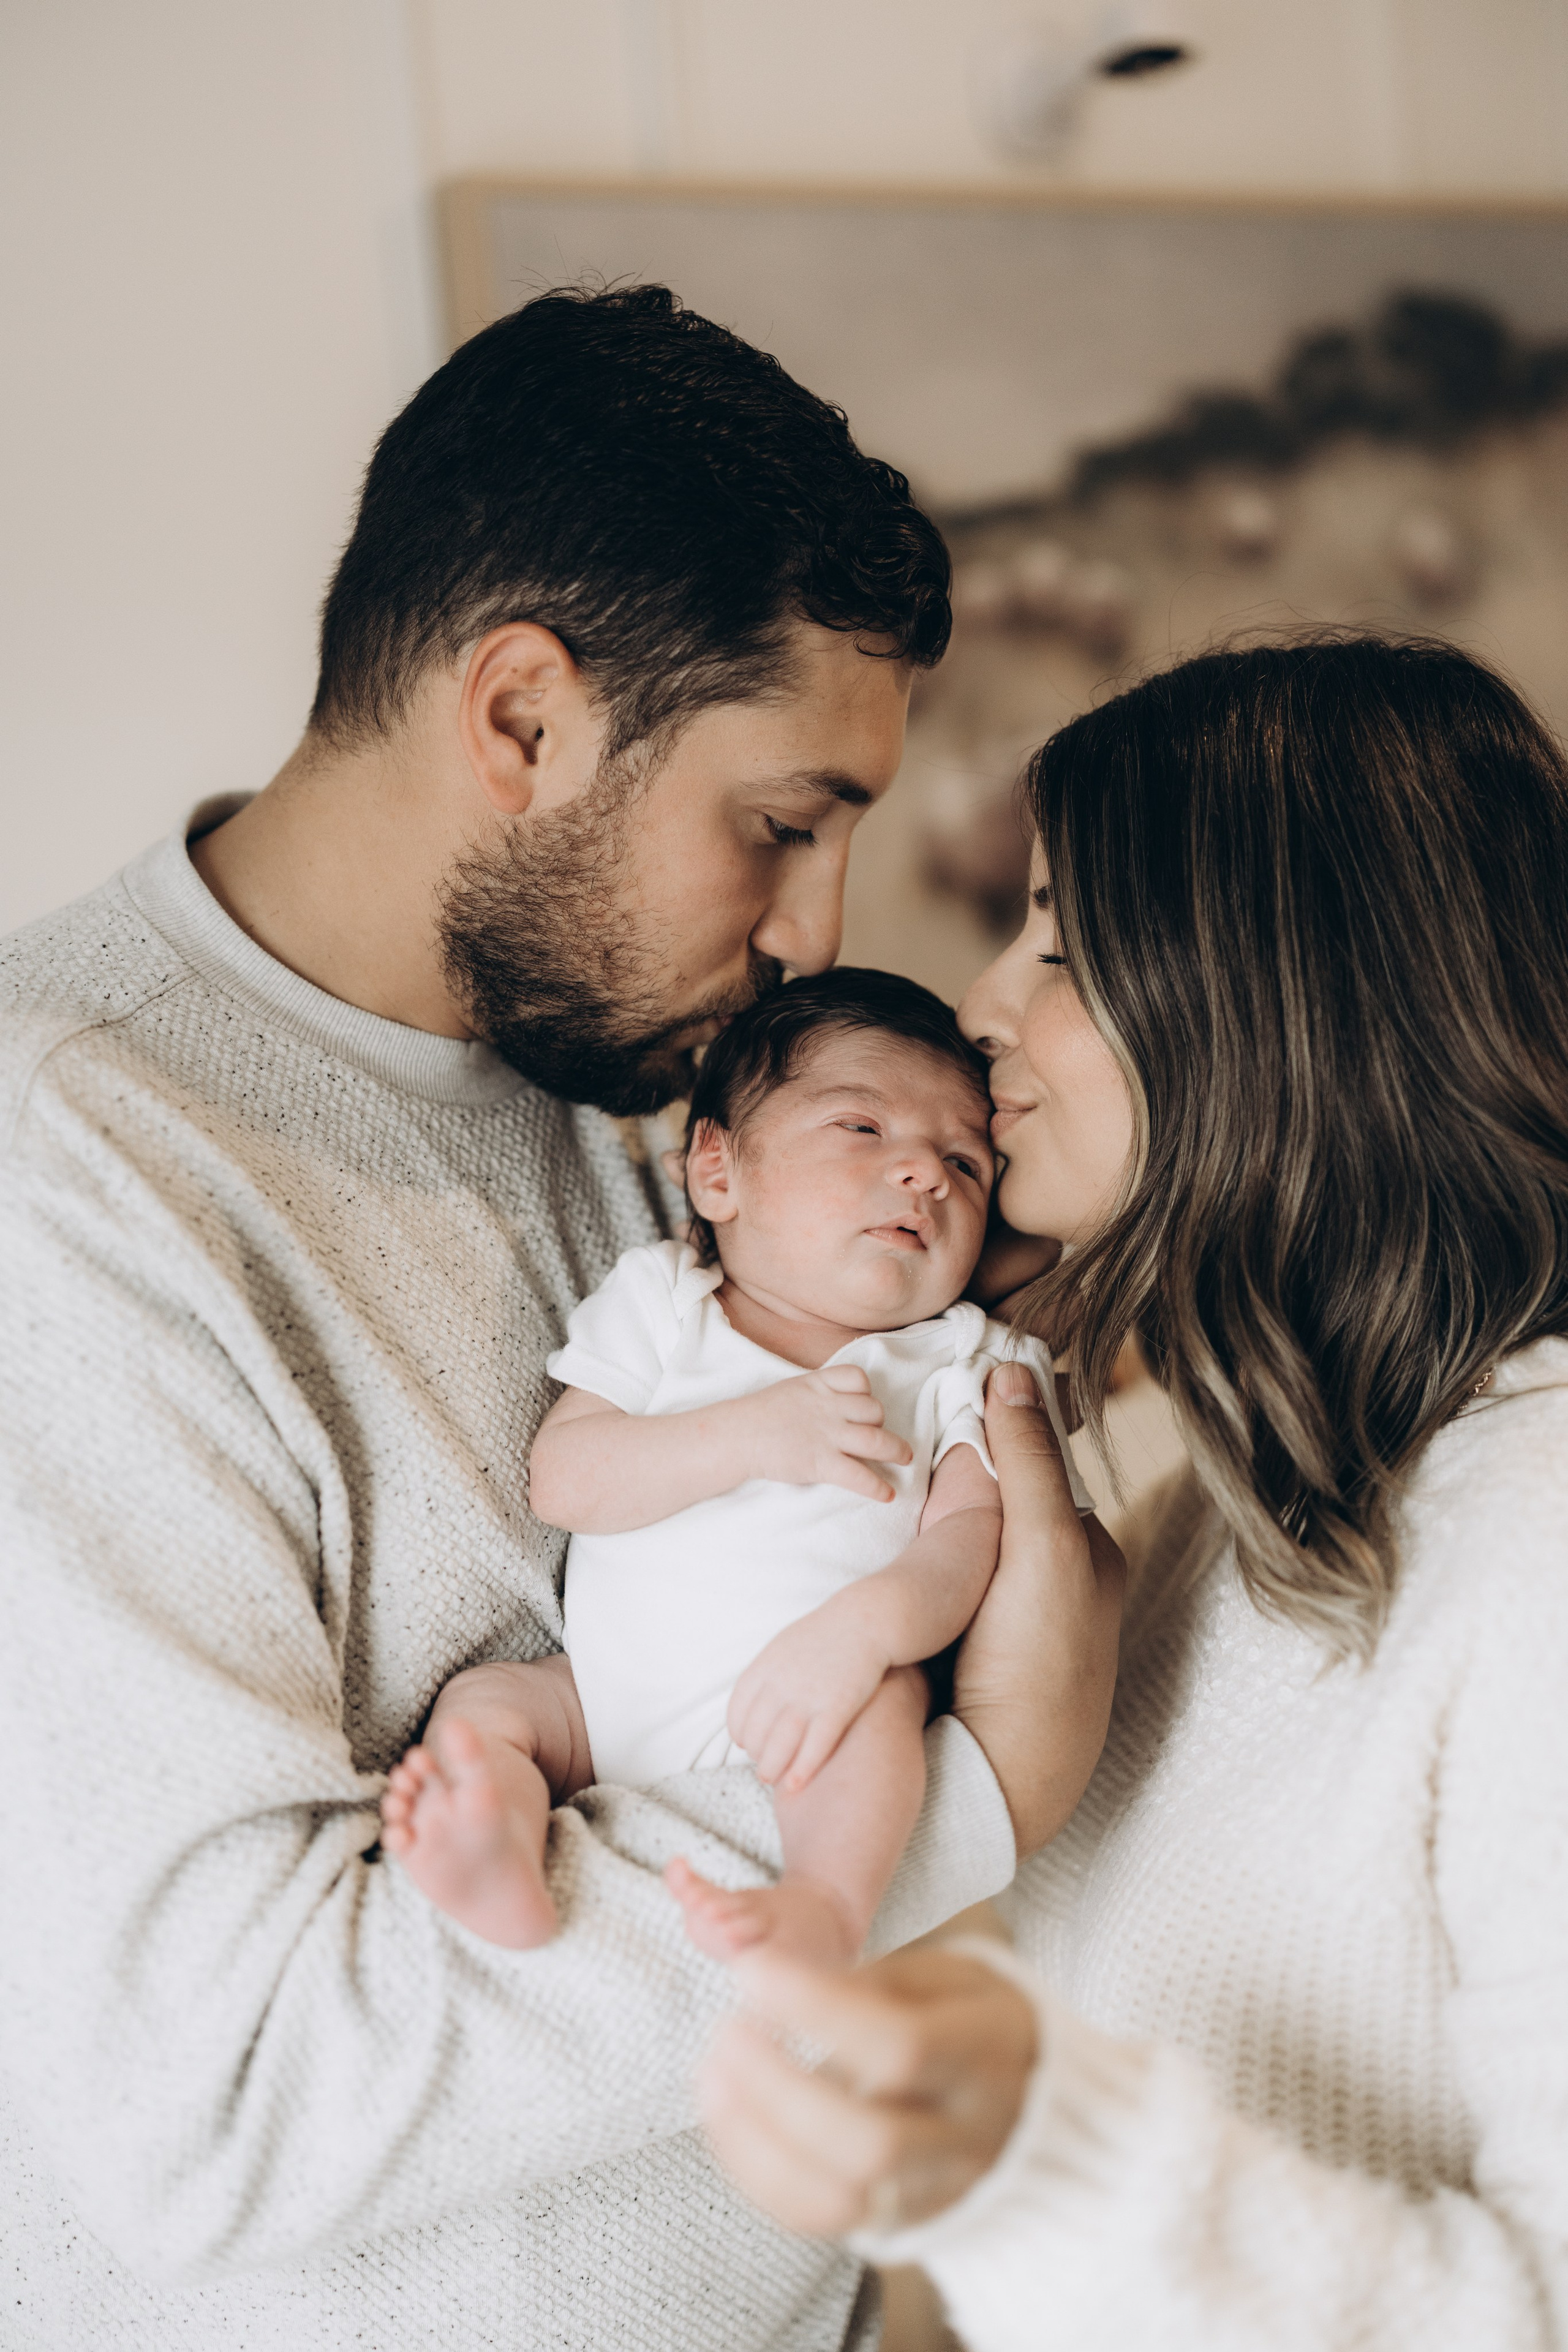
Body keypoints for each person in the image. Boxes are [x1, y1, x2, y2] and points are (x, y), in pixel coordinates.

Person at [0, 286, 1121, 2351]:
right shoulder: (73, 1178)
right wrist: (959, 1801)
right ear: (519, 718)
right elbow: (215, 2104)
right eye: (780, 827)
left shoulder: (648, 1087)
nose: (819, 938)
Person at [699, 635, 1568, 2350]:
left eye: (1067, 946)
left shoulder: (1542, 1548)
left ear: (1293, 1004)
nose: (981, 1010)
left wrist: (1040, 2157)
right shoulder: (1201, 1525)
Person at [380, 969, 1093, 1966]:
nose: (925, 1174)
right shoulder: (666, 1304)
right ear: (719, 1173)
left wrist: (868, 1628)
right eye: (863, 1128)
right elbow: (567, 1480)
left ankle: (826, 1905)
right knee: (492, 1708)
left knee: (887, 1716)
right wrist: (753, 1434)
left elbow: (970, 1542)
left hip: (820, 1696)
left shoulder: (952, 1361)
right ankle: (497, 1843)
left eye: (967, 1165)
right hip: (604, 1700)